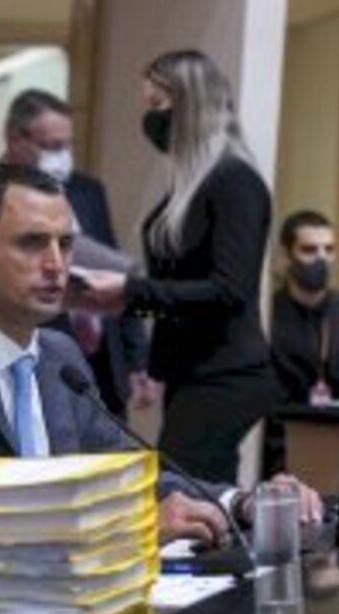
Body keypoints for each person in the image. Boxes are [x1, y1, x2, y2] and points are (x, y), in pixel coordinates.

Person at [0, 166, 321, 546]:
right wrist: (127, 530)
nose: (57, 264)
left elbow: (133, 476)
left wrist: (240, 502)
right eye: (32, 243)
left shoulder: (60, 360)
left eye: (66, 243)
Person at [70, 50, 278, 484]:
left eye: (157, 105)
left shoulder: (235, 182)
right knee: (206, 496)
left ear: (190, 105)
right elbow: (179, 288)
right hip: (194, 371)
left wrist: (131, 291)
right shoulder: (193, 185)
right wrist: (129, 312)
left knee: (179, 491)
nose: (150, 118)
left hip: (226, 375)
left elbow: (228, 291)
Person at [0, 88, 149, 417]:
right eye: (52, 146)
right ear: (13, 138)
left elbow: (115, 274)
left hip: (101, 371)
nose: (62, 155)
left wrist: (137, 360)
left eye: (68, 144)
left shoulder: (88, 191)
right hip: (28, 367)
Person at [271, 210, 339, 406]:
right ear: (286, 255)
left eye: (329, 249)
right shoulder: (267, 314)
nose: (322, 258)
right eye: (309, 250)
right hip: (281, 430)